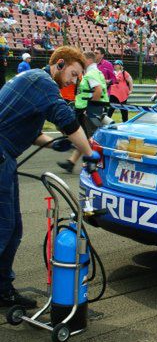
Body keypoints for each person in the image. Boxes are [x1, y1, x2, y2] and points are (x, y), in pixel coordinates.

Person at [0, 46, 97, 308]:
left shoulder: (33, 80)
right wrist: (87, 152)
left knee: (13, 228)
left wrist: (51, 145)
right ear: (60, 64)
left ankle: (3, 288)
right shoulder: (42, 82)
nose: (74, 81)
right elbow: (65, 119)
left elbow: (27, 130)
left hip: (6, 157)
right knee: (4, 228)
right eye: (74, 74)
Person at [57, 51, 108, 173]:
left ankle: (92, 164)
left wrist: (89, 109)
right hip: (87, 107)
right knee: (83, 137)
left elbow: (98, 91)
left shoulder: (91, 74)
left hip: (89, 108)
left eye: (82, 60)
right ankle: (71, 162)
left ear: (88, 60)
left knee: (90, 138)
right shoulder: (94, 72)